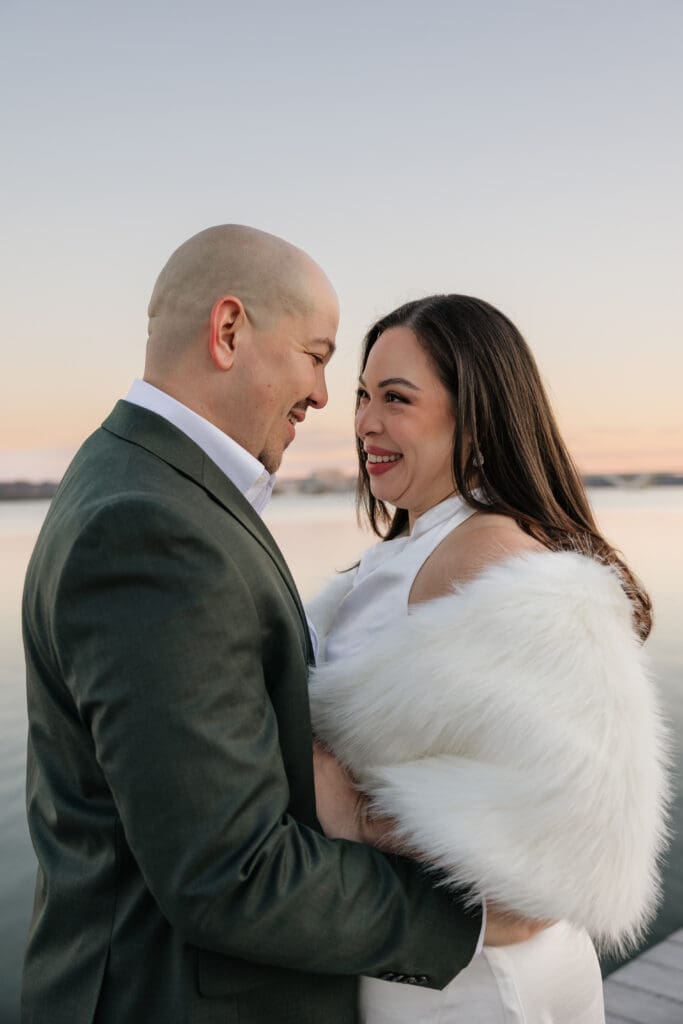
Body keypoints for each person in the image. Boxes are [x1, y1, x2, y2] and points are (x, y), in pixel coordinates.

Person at [21, 228, 536, 1024]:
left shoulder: (141, 481)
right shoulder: (152, 524)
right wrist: (465, 917)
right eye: (318, 355)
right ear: (228, 332)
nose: (329, 398)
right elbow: (229, 872)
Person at [307, 294, 671, 1024]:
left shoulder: (484, 556)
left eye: (396, 399)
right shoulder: (420, 550)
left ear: (474, 416)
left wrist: (350, 811)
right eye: (361, 396)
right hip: (455, 967)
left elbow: (575, 835)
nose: (364, 423)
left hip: (474, 983)